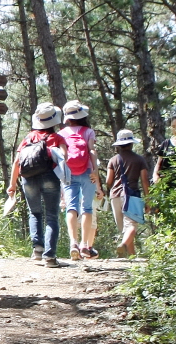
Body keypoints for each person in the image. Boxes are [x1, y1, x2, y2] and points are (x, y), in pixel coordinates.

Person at [6, 103, 68, 267]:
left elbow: (17, 162)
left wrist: (12, 185)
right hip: (49, 177)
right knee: (52, 216)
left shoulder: (28, 138)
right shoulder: (57, 138)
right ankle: (50, 256)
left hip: (28, 178)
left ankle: (37, 250)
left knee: (35, 213)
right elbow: (64, 156)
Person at [57, 100, 103, 260]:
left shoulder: (62, 134)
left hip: (69, 172)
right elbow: (92, 150)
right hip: (87, 171)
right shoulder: (88, 131)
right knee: (87, 208)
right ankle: (85, 245)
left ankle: (73, 243)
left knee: (72, 207)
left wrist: (63, 174)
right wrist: (95, 172)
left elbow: (62, 156)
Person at [105, 127, 152, 257]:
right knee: (131, 226)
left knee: (124, 229)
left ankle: (131, 257)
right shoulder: (139, 160)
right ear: (131, 143)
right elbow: (144, 181)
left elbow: (109, 181)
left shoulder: (113, 160)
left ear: (119, 145)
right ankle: (124, 245)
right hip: (132, 195)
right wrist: (148, 199)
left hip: (115, 196)